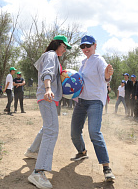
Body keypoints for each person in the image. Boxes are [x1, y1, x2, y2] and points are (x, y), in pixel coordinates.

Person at [25, 35, 71, 189]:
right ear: (57, 44)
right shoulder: (51, 55)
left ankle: (32, 151)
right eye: (64, 47)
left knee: (47, 127)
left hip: (47, 97)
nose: (65, 50)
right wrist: (49, 89)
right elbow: (47, 73)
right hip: (47, 97)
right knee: (52, 130)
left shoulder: (51, 56)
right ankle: (38, 172)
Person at [70, 35, 115, 181]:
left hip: (95, 101)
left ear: (95, 45)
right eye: (82, 47)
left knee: (94, 132)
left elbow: (106, 76)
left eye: (88, 46)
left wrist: (108, 76)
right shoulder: (83, 63)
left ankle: (106, 167)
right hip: (81, 102)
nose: (85, 49)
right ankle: (82, 152)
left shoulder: (99, 60)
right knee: (74, 132)